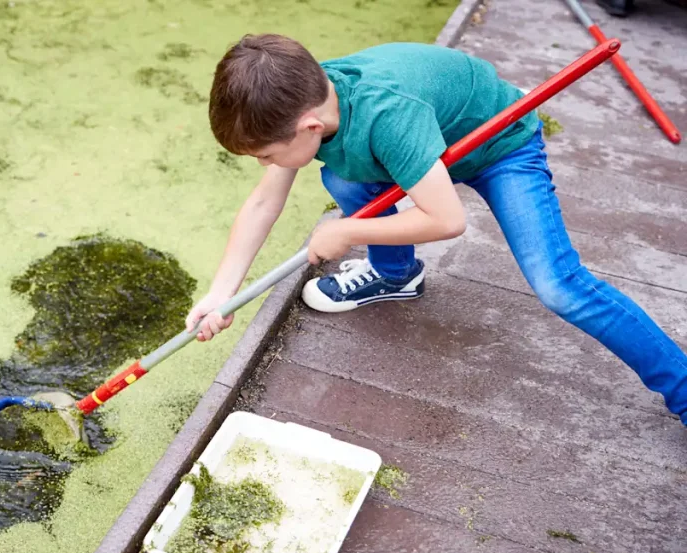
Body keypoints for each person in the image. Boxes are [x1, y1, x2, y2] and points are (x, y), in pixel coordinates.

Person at [183, 34, 687, 425]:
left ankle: (682, 387)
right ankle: (397, 276)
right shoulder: (304, 104)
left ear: (309, 126)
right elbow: (263, 203)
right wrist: (221, 294)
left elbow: (447, 220)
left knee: (559, 287)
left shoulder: (387, 117)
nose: (263, 166)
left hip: (498, 146)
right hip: (430, 150)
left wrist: (346, 234)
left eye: (266, 155)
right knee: (343, 174)